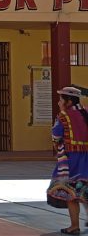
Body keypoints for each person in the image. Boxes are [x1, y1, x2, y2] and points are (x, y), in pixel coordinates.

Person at [47, 86, 88, 235]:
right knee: (85, 192)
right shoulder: (86, 113)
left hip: (71, 162)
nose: (59, 102)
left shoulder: (64, 116)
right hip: (87, 160)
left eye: (60, 99)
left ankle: (74, 226)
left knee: (72, 196)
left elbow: (56, 136)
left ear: (68, 101)